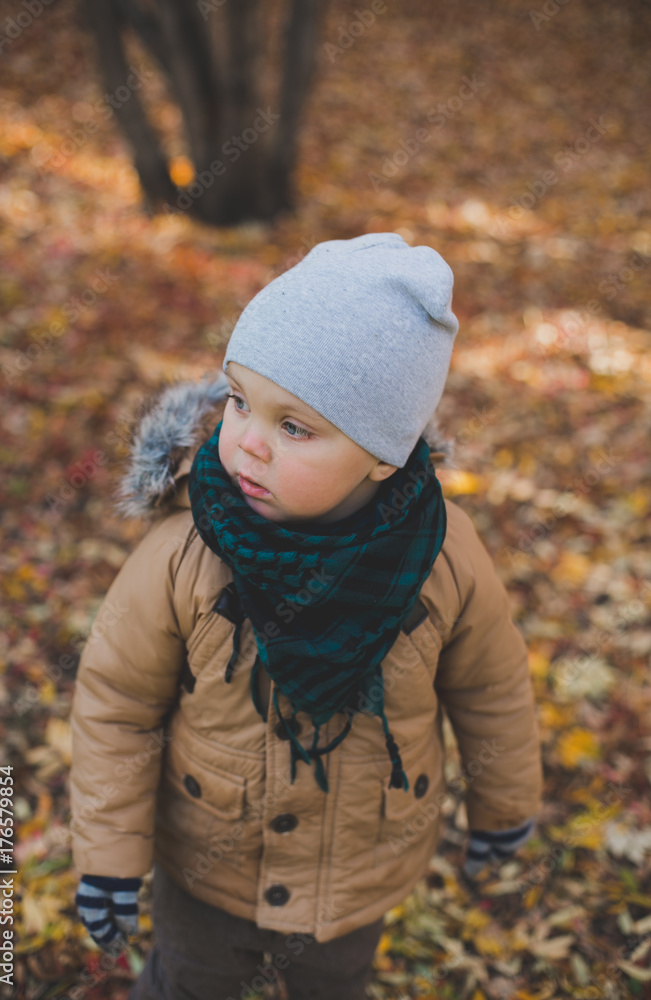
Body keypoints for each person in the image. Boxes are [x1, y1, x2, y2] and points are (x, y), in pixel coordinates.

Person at [69, 233, 543, 999]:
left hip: (357, 867)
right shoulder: (185, 550)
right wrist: (109, 857)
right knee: (187, 984)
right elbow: (118, 705)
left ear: (383, 455)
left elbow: (491, 689)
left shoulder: (442, 558)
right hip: (206, 860)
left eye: (295, 427)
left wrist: (504, 808)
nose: (247, 443)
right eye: (239, 401)